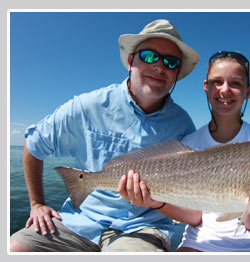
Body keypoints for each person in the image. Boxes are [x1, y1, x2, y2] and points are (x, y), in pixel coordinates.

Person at [10, 19, 200, 252]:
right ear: (131, 61)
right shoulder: (86, 106)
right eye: (150, 56)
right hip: (79, 221)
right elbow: (34, 144)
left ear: (176, 73)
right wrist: (36, 203)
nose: (159, 66)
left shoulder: (183, 125)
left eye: (170, 62)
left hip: (143, 228)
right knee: (14, 248)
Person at [118, 51, 250, 252]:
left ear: (247, 91)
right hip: (198, 243)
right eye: (217, 82)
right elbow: (195, 217)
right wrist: (155, 202)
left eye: (235, 83)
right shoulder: (189, 143)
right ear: (206, 88)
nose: (225, 90)